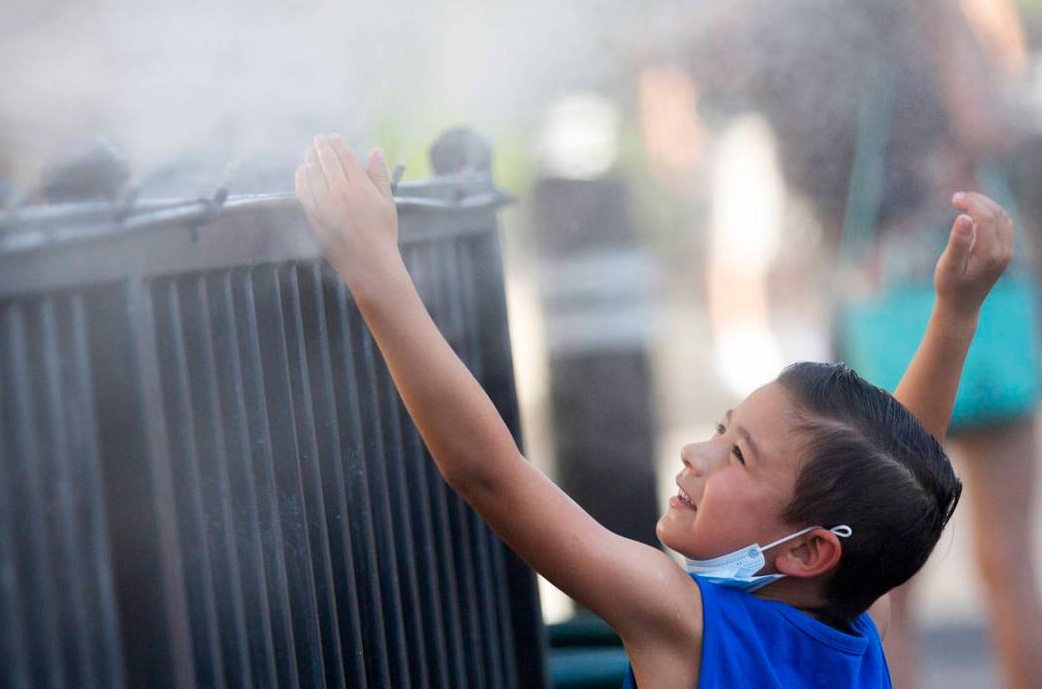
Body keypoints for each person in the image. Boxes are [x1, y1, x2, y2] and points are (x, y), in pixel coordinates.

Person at [294, 133, 1013, 687]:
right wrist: (953, 313)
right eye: (720, 429)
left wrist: (372, 267)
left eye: (736, 454)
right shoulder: (855, 627)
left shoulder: (682, 620)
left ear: (804, 549)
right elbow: (896, 476)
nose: (694, 455)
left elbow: (489, 474)